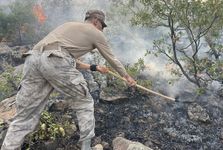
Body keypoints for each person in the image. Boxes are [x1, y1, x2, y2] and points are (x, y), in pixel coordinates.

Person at [1, 9, 136, 150]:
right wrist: (127, 77)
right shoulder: (95, 32)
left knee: (24, 116)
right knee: (84, 101)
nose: (102, 30)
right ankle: (86, 147)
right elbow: (111, 58)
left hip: (32, 58)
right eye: (102, 26)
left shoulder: (68, 27)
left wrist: (94, 67)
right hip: (54, 60)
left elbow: (56, 56)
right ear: (96, 21)